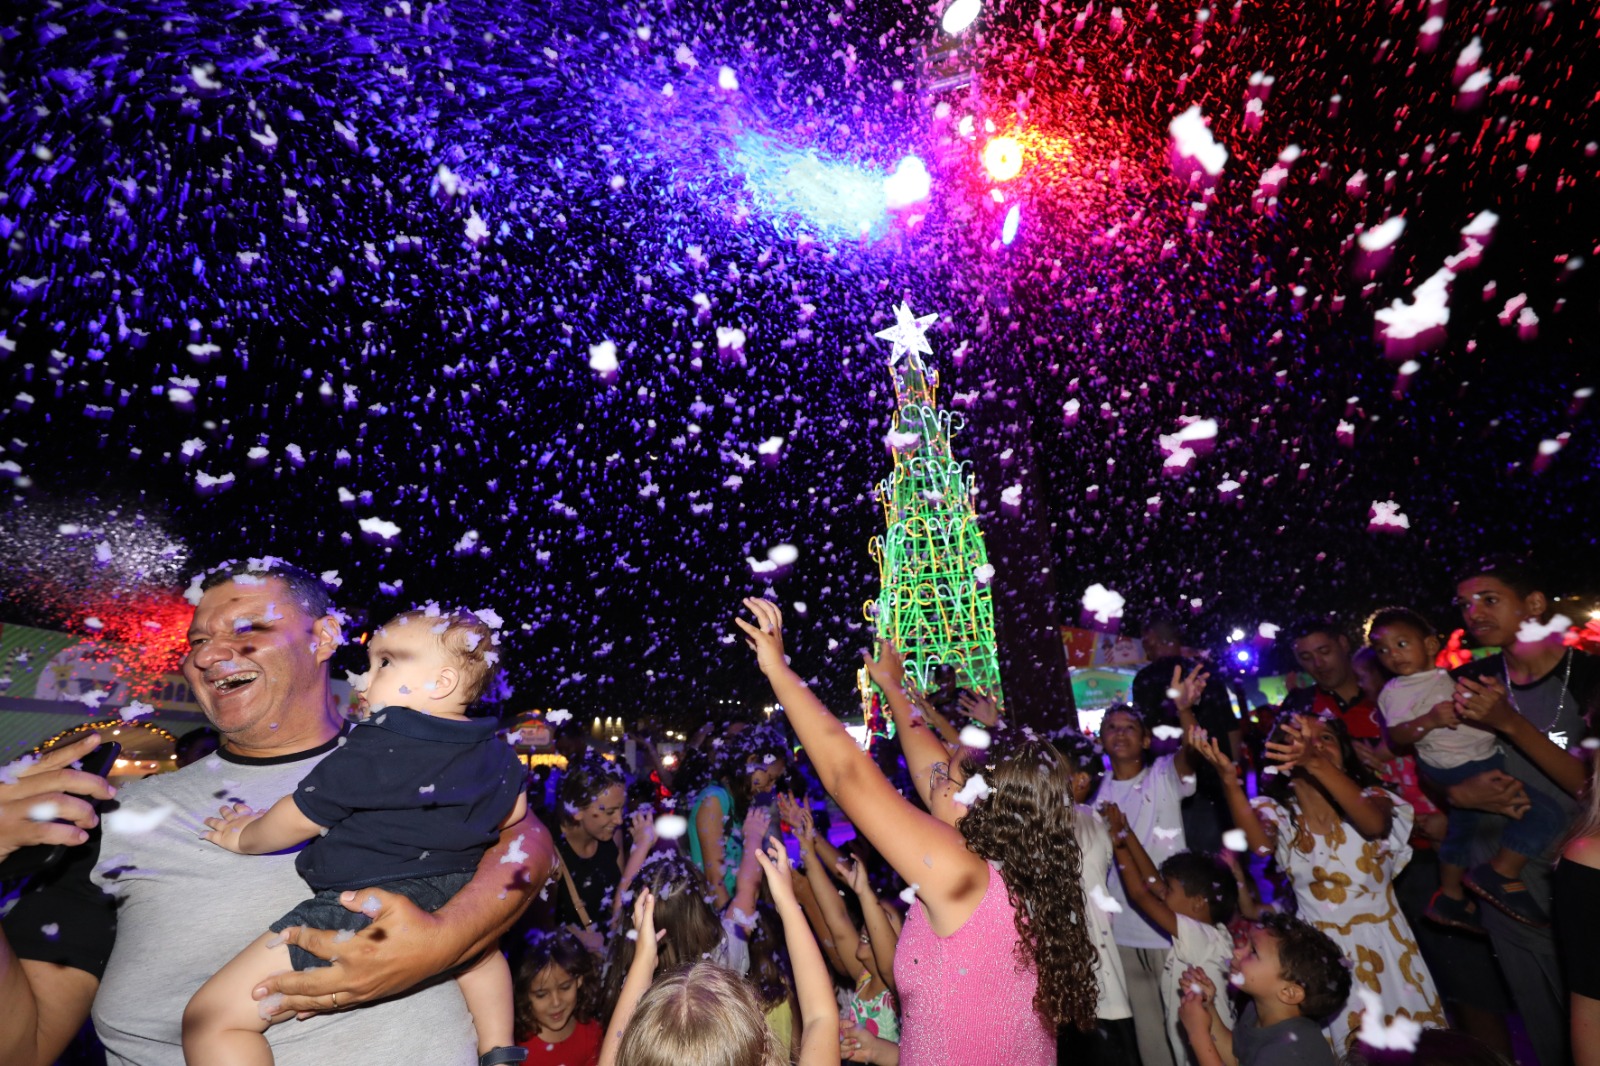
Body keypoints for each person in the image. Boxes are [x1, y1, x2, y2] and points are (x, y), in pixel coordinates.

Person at [0, 559, 555, 1066]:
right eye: (197, 641)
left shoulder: (413, 761)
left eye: (248, 629)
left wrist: (446, 937)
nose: (208, 655)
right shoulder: (114, 815)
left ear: (325, 637)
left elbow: (526, 840)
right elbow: (22, 1047)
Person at [741, 599, 1098, 1065]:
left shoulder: (961, 873)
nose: (931, 779)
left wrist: (779, 672)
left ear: (981, 806)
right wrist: (892, 687)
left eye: (946, 778)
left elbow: (848, 775)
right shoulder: (1011, 867)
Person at [184, 607, 530, 1066]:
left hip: (366, 907)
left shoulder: (377, 744)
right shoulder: (498, 754)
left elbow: (299, 816)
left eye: (384, 663)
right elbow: (513, 816)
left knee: (211, 1020)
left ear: (441, 682)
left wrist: (244, 835)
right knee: (480, 956)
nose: (363, 680)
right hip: (460, 892)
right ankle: (498, 1048)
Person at [1192, 715, 1445, 1055]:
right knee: (1346, 1050)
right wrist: (1229, 779)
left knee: (1412, 1052)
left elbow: (1372, 825)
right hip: (1321, 959)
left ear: (1343, 751)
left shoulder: (1375, 798)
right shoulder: (1278, 814)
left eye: (1325, 738)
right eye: (1300, 739)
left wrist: (1314, 760)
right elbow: (1261, 846)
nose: (1315, 745)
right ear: (1281, 756)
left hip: (1388, 950)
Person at [1446, 557, 1599, 1066]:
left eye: (1489, 598)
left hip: (1578, 868)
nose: (1474, 612)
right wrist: (1456, 794)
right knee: (1541, 1015)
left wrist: (1510, 724)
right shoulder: (1469, 680)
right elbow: (1437, 769)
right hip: (1503, 875)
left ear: (1533, 603)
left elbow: (1589, 786)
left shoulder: (1590, 679)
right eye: (1465, 603)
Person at [1368, 606, 1566, 929]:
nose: (1393, 655)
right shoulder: (1395, 691)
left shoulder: (1447, 677)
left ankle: (1449, 896)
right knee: (1546, 815)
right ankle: (1502, 870)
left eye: (1402, 644)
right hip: (1461, 768)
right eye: (1383, 650)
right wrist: (1429, 721)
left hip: (1478, 759)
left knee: (1461, 832)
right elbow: (1397, 735)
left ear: (1430, 645)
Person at [600, 840, 838, 1066]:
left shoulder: (611, 973)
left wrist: (643, 959)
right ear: (764, 1050)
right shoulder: (729, 951)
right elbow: (821, 1017)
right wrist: (787, 902)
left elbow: (614, 1050)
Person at [1093, 691, 1205, 1066]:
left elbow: (1192, 754)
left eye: (1129, 728)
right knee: (1148, 1034)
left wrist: (1185, 709)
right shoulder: (1093, 793)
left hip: (1169, 924)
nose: (1120, 734)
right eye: (1111, 727)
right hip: (1120, 932)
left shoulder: (1162, 776)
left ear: (1145, 739)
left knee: (1186, 1024)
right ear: (1101, 738)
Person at [1101, 807, 1237, 1066]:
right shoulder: (1213, 934)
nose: (1161, 894)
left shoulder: (1201, 937)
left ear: (1197, 903)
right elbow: (1152, 882)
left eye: (1169, 890)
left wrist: (1117, 844)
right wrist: (1127, 833)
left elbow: (1141, 895)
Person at [1055, 731, 1137, 1066]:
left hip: (1095, 991)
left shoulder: (1083, 817)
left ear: (1080, 781)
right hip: (1074, 989)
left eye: (1049, 769)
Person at [1178, 913, 1352, 1066]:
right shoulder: (1257, 1009)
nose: (1238, 952)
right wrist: (1208, 1008)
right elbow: (1238, 1059)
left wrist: (1198, 1033)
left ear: (1289, 992)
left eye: (1253, 951)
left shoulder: (1289, 1051)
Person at [1134, 615, 1243, 854]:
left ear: (1155, 642)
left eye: (1146, 644)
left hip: (1176, 779)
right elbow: (1231, 728)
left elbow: (1149, 735)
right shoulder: (1206, 672)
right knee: (1229, 859)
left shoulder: (1147, 678)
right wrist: (1233, 770)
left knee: (1188, 861)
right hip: (1217, 775)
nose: (1146, 650)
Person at [548, 756, 653, 951]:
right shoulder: (547, 849)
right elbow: (538, 932)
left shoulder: (612, 835)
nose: (619, 820)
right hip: (571, 967)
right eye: (610, 811)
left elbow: (620, 905)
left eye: (622, 809)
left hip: (607, 958)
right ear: (576, 810)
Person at [687, 725, 789, 909]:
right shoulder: (715, 800)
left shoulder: (737, 802)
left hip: (737, 909)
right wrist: (732, 930)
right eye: (771, 778)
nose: (770, 787)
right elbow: (714, 879)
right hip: (718, 915)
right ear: (751, 762)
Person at [1282, 618, 1384, 742]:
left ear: (1343, 643)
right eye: (1306, 657)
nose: (1318, 663)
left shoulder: (1387, 691)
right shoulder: (1300, 705)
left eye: (1325, 651)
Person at [514, 929, 604, 1066]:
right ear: (524, 994)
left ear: (579, 980)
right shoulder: (513, 1045)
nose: (556, 1002)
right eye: (541, 995)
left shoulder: (591, 1035)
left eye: (565, 987)